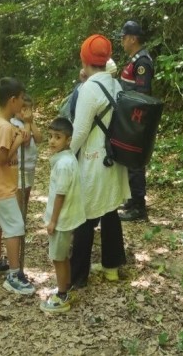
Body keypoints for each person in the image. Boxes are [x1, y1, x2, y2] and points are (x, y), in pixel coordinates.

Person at [69, 35, 130, 288]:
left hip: (93, 160)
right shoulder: (115, 84)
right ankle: (111, 267)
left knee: (85, 213)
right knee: (110, 210)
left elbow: (80, 131)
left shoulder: (89, 89)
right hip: (114, 158)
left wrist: (65, 155)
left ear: (84, 60)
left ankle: (77, 277)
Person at [0, 77, 35, 295]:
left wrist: (20, 135)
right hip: (1, 185)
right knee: (15, 226)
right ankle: (14, 275)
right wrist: (18, 142)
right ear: (12, 100)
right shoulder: (4, 127)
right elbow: (3, 159)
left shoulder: (1, 122)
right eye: (21, 98)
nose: (23, 102)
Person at [39, 117, 86, 313]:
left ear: (68, 140)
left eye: (57, 137)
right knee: (63, 255)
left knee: (58, 257)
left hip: (61, 219)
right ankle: (65, 285)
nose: (52, 141)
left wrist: (53, 221)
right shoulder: (66, 158)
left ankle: (62, 296)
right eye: (50, 136)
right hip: (65, 218)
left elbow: (60, 194)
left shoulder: (64, 164)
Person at [117, 20, 154, 222]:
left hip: (136, 120)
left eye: (124, 37)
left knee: (135, 164)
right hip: (129, 118)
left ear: (132, 39)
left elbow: (142, 95)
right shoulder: (135, 60)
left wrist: (133, 122)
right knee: (129, 160)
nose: (122, 41)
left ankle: (139, 207)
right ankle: (131, 200)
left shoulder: (143, 63)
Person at [11, 93, 41, 215]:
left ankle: (23, 220)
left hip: (30, 166)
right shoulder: (14, 123)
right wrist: (28, 123)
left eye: (29, 109)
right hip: (20, 167)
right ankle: (18, 222)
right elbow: (26, 140)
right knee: (19, 199)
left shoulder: (29, 123)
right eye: (24, 109)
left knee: (26, 198)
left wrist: (31, 122)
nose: (27, 113)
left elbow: (39, 138)